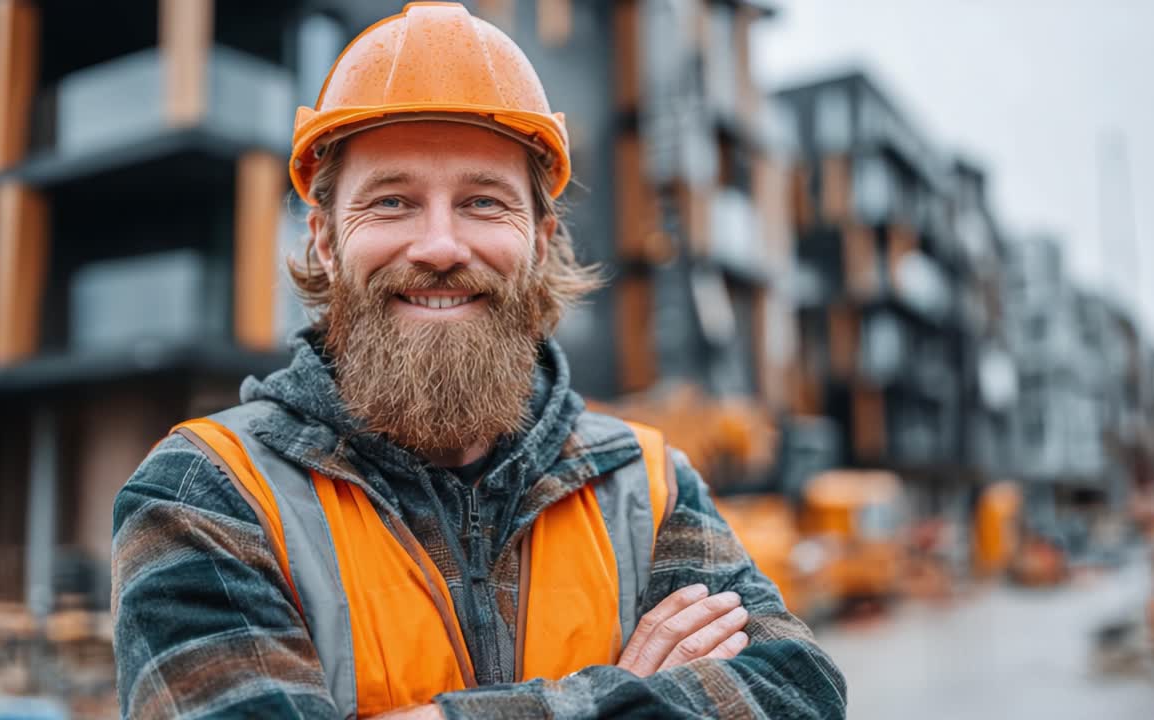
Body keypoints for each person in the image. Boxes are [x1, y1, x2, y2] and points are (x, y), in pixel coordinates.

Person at [111, 3, 845, 718]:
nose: (440, 246)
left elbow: (797, 689)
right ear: (326, 242)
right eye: (392, 202)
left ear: (540, 241)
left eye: (484, 203)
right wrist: (622, 693)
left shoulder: (646, 487)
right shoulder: (205, 494)